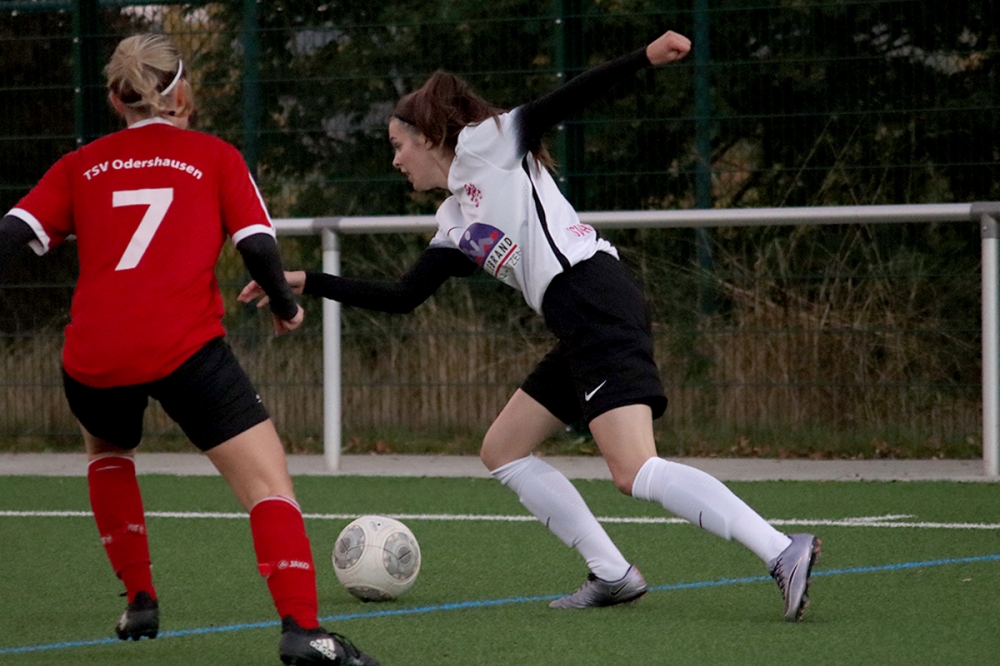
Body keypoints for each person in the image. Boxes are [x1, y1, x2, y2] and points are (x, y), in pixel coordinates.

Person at [240, 29, 821, 621]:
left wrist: (644, 56)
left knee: (634, 469)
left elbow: (565, 98)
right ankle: (612, 573)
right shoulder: (455, 218)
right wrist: (305, 280)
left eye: (397, 145)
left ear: (427, 137)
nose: (394, 160)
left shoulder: (487, 143)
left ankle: (780, 549)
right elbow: (403, 296)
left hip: (594, 298)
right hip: (575, 318)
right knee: (503, 449)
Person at [0, 34, 377, 665]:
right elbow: (257, 246)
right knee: (267, 483)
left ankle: (139, 598)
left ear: (115, 99)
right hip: (186, 349)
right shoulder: (214, 156)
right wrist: (286, 306)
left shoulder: (80, 165)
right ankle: (303, 630)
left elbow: (12, 234)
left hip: (95, 356)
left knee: (108, 450)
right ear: (181, 94)